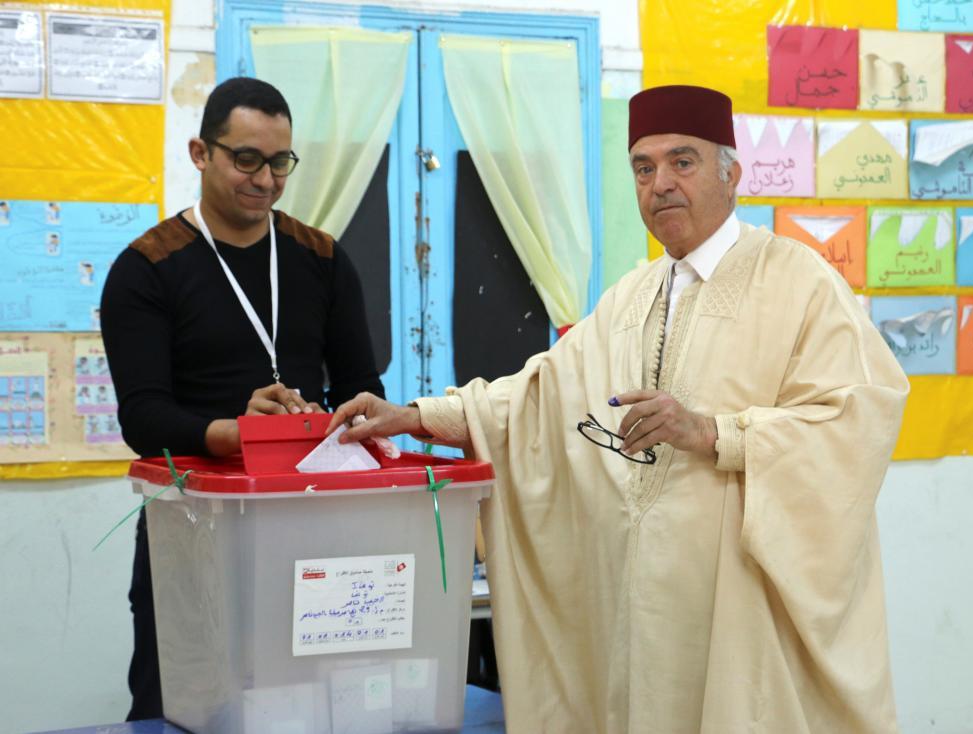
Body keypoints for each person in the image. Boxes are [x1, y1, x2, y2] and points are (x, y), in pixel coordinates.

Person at [327, 85, 910, 733]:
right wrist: (414, 416)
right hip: (642, 613)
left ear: (731, 174)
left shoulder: (800, 282)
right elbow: (536, 398)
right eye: (643, 167)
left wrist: (714, 433)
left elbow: (856, 419)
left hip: (740, 614)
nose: (661, 184)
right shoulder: (631, 297)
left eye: (682, 162)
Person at [100, 77, 384, 721]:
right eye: (247, 159)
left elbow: (363, 390)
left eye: (280, 162)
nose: (265, 180)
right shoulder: (148, 267)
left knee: (312, 708)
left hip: (311, 528)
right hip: (192, 533)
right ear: (201, 153)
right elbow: (144, 418)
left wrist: (324, 421)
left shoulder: (321, 257)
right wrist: (237, 433)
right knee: (187, 708)